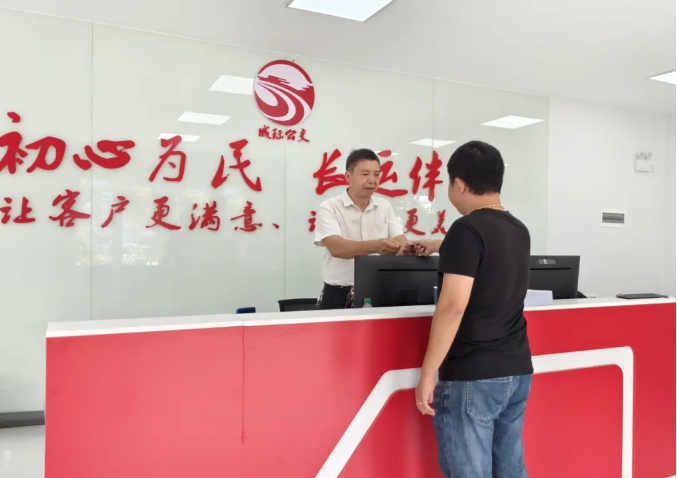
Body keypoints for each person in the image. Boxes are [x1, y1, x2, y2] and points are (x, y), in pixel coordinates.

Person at [406, 140, 533, 478]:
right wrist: (442, 245)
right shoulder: (518, 230)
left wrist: (428, 373)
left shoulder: (466, 229)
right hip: (517, 370)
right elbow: (488, 256)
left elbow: (452, 306)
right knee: (510, 469)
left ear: (459, 184)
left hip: (473, 374)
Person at [314, 148, 407, 309]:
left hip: (379, 290)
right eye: (365, 174)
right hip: (338, 294)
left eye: (376, 174)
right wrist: (376, 246)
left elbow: (401, 242)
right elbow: (337, 248)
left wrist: (413, 247)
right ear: (348, 176)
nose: (372, 180)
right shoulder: (330, 207)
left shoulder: (384, 206)